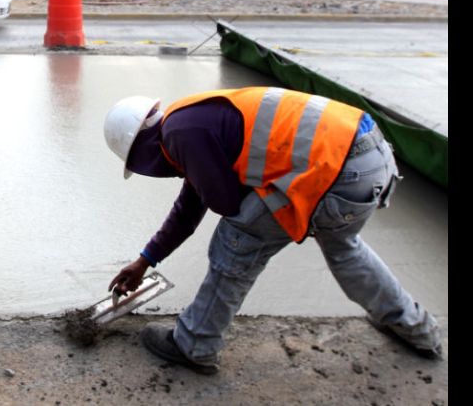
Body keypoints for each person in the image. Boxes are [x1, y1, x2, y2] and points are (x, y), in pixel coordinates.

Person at [103, 87, 442, 375]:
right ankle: (416, 328)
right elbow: (191, 206)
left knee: (236, 239)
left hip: (335, 172)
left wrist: (150, 257)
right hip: (371, 160)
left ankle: (195, 343)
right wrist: (145, 261)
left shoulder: (180, 135)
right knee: (344, 248)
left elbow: (222, 202)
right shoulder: (190, 118)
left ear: (141, 151)